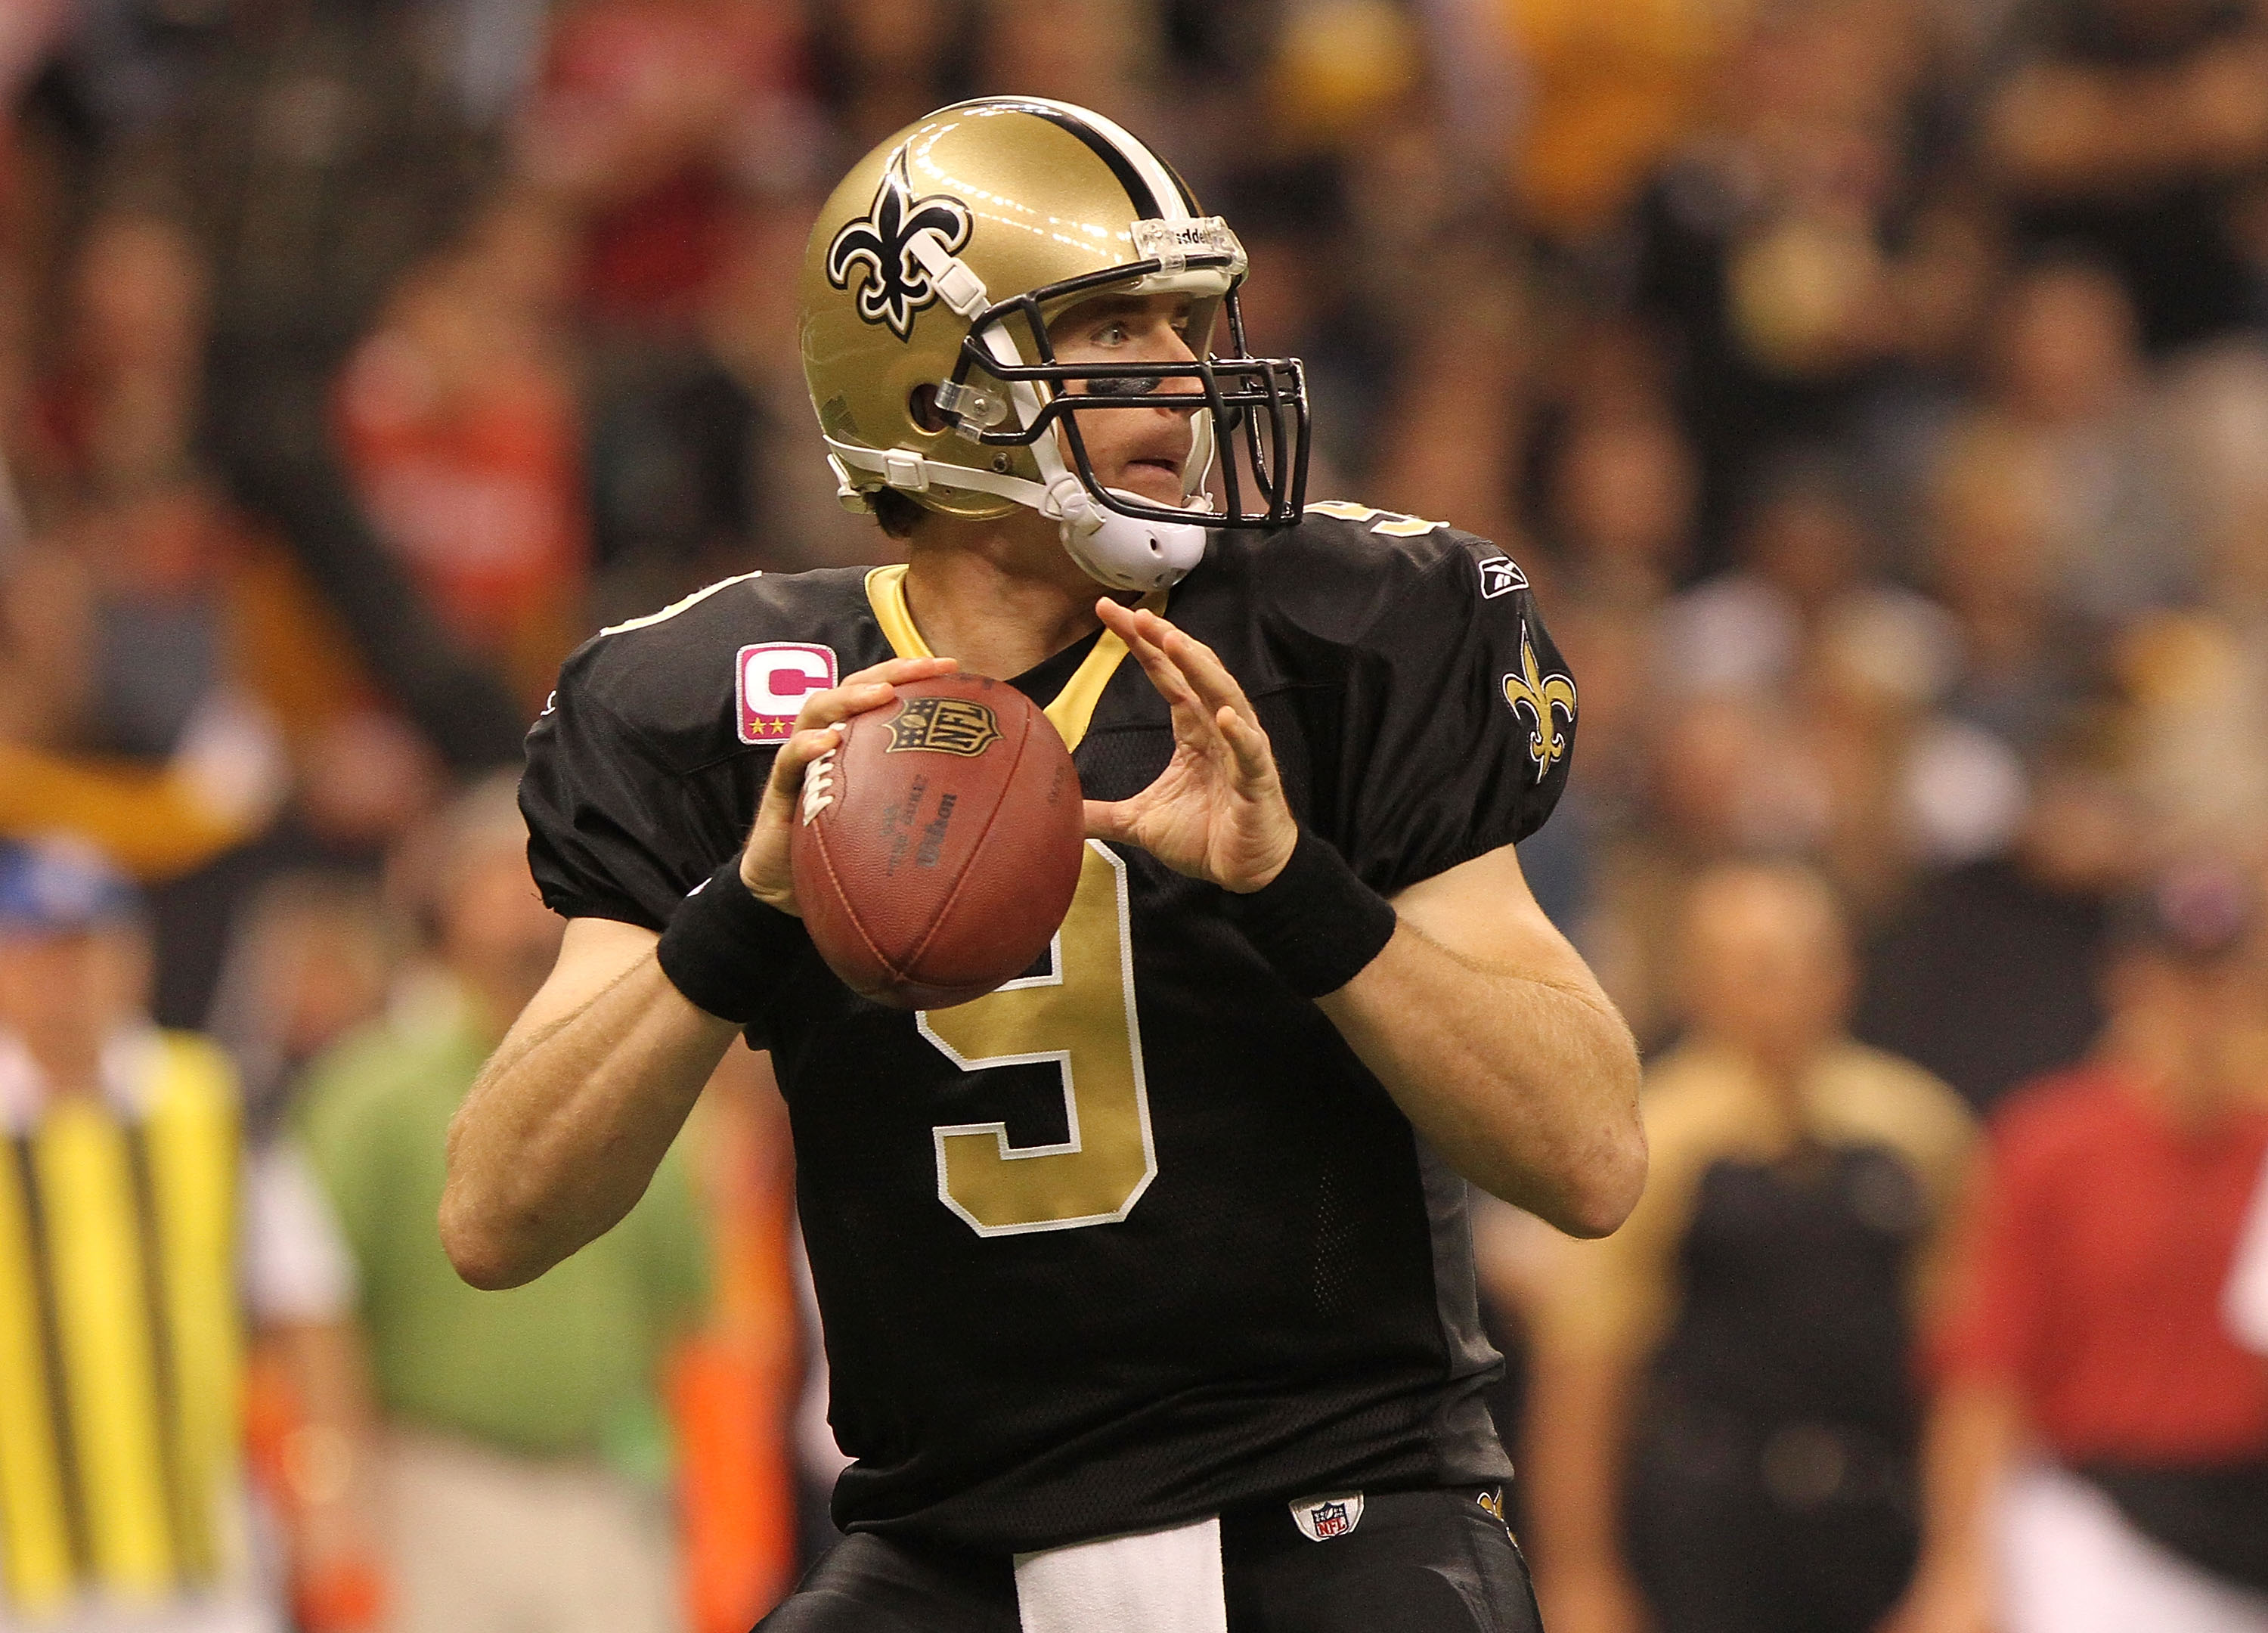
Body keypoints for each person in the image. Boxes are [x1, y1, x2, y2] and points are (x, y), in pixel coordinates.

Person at [442, 97, 1646, 1631]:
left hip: (1334, 1513)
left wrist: (1297, 892)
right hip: (947, 1547)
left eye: (1188, 323)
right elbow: (496, 1215)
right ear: (936, 388)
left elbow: (1592, 1155)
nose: (1187, 377)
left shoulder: (1341, 633)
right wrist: (739, 918)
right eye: (1115, 329)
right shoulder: (726, 699)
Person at [296, 776, 708, 1633]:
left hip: (608, 1478)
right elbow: (313, 1307)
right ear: (444, 906)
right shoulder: (372, 1089)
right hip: (436, 1479)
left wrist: (693, 1484)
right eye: (499, 878)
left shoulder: (638, 1080)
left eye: (543, 876)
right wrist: (336, 1489)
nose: (528, 906)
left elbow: (683, 1300)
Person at [1523, 860, 1975, 1633]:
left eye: (1811, 962)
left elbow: (1962, 1368)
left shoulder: (1918, 1130)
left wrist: (1959, 1559)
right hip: (1704, 1514)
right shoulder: (1650, 1139)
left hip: (1871, 1506)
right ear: (1698, 982)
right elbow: (1586, 1371)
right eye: (1759, 969)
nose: (1788, 992)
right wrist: (1580, 1575)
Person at [0, 838, 369, 1633]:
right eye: (41, 956)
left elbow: (309, 1308)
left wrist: (326, 1486)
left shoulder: (213, 1102)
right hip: (21, 1569)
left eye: (89, 953)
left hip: (199, 1558)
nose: (67, 981)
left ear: (135, 961)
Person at [1891, 860, 2268, 1633]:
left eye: (2219, 979)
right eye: (2175, 977)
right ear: (2126, 981)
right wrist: (1959, 1564)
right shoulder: (2050, 1143)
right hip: (2098, 1531)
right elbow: (1985, 1369)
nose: (2197, 1006)